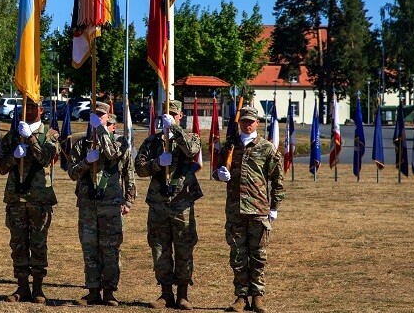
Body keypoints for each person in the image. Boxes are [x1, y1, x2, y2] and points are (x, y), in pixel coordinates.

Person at [214, 106, 285, 313]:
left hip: (258, 209)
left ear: (257, 123)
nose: (247, 124)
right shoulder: (231, 146)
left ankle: (258, 297)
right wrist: (220, 174)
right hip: (235, 210)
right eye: (244, 121)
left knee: (258, 255)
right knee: (238, 255)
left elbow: (277, 180)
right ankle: (241, 296)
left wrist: (274, 207)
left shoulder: (266, 148)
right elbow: (217, 170)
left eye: (251, 121)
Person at [135, 100, 203, 309]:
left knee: (184, 248)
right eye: (167, 115)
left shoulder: (189, 137)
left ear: (180, 116)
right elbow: (140, 168)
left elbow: (191, 151)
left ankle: (183, 294)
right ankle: (165, 293)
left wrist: (173, 129)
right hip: (158, 202)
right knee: (159, 248)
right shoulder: (152, 142)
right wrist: (157, 164)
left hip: (181, 202)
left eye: (174, 115)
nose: (170, 118)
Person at [68, 102, 136, 306]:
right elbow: (72, 173)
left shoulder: (121, 141)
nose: (98, 117)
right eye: (95, 115)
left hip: (110, 203)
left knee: (110, 248)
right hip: (88, 203)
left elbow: (117, 159)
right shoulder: (81, 144)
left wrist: (129, 201)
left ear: (109, 117)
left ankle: (109, 291)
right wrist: (86, 162)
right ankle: (92, 289)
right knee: (89, 248)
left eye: (101, 115)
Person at [0, 99, 58, 304]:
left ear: (41, 109)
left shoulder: (51, 134)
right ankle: (22, 287)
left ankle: (38, 288)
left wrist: (30, 138)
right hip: (16, 199)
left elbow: (45, 158)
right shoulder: (12, 137)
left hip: (40, 199)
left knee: (39, 244)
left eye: (33, 107)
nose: (29, 110)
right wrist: (14, 157)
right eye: (26, 106)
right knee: (18, 244)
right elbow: (1, 168)